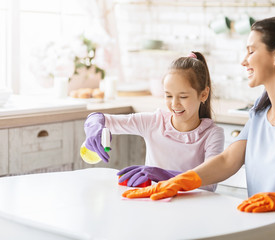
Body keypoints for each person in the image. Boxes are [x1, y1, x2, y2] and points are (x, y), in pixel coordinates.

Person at [122, 17, 275, 240]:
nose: (243, 61)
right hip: (272, 234)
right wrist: (181, 182)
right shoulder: (260, 111)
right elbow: (229, 160)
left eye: (250, 51)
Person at [83, 51, 224, 191]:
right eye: (168, 96)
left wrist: (164, 175)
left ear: (203, 94)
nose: (174, 104)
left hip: (195, 208)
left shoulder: (212, 134)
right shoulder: (154, 122)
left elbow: (209, 182)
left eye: (183, 96)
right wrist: (94, 128)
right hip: (156, 204)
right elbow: (98, 118)